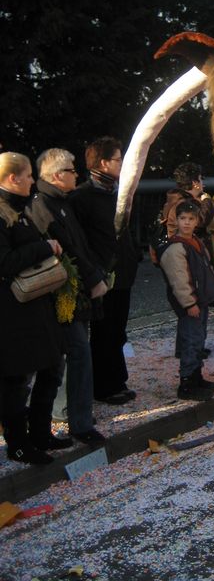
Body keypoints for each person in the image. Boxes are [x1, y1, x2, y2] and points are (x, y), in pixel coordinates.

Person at [29, 149, 108, 445]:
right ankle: (77, 422)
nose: (77, 174)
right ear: (56, 176)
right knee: (75, 355)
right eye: (72, 170)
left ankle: (76, 416)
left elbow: (80, 245)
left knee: (74, 356)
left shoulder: (61, 203)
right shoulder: (44, 205)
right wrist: (92, 279)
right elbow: (68, 249)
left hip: (76, 293)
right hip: (62, 296)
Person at [0, 152, 70, 464]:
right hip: (14, 313)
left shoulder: (20, 208)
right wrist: (43, 247)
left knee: (51, 367)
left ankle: (41, 433)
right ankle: (18, 443)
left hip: (37, 306)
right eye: (28, 175)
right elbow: (5, 262)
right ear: (13, 178)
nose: (32, 180)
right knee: (17, 380)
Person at [70, 137, 139, 405]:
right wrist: (93, 271)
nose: (122, 164)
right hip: (102, 275)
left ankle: (117, 379)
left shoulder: (118, 193)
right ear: (102, 162)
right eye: (118, 160)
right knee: (103, 331)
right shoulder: (82, 197)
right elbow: (79, 239)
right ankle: (104, 386)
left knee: (118, 330)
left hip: (123, 273)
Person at [158, 200, 214, 400]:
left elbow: (206, 266)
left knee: (198, 339)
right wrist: (189, 303)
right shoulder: (176, 248)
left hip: (200, 300)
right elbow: (179, 280)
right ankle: (187, 382)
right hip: (191, 304)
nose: (186, 223)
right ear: (176, 221)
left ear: (196, 222)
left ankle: (196, 376)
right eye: (182, 218)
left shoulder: (196, 242)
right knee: (191, 340)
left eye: (190, 219)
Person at [163, 162, 214, 241]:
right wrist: (207, 201)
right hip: (185, 249)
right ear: (195, 183)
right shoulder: (184, 204)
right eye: (200, 178)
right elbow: (200, 222)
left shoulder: (179, 200)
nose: (203, 183)